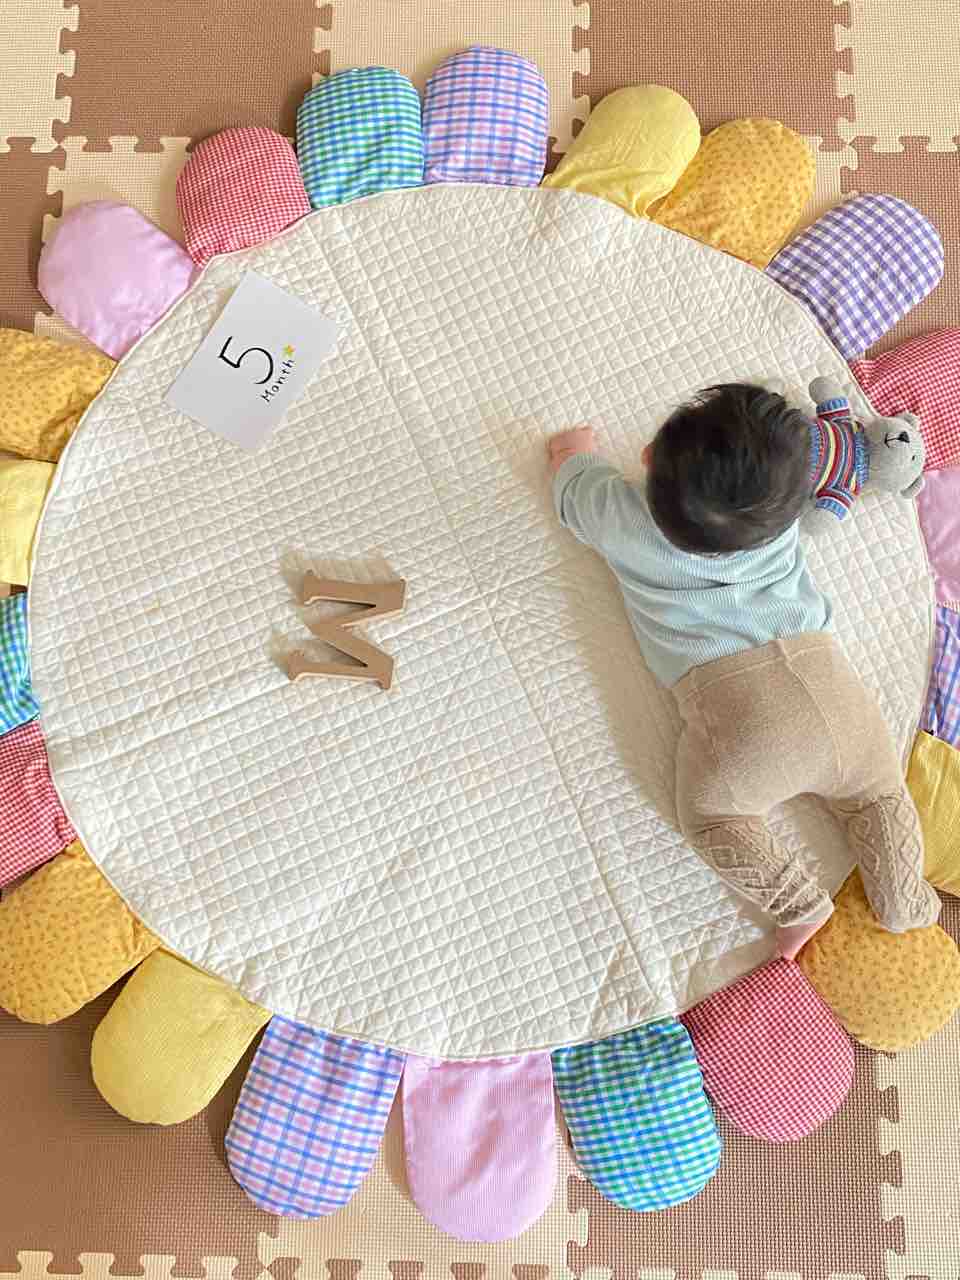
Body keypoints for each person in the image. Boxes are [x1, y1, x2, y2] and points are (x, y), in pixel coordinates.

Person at [549, 383, 940, 959]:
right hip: (832, 690)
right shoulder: (783, 510)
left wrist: (573, 454)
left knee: (710, 815)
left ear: (649, 460)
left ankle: (798, 903)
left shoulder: (625, 520)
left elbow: (573, 492)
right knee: (878, 794)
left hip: (738, 717)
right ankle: (905, 897)